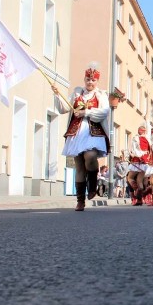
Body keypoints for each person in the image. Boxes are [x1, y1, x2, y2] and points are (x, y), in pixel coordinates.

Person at [52, 64, 110, 212]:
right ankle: (80, 201)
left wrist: (86, 112)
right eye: (88, 79)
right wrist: (57, 94)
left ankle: (92, 183)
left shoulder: (101, 95)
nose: (90, 82)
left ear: (97, 81)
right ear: (84, 79)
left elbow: (104, 112)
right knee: (79, 165)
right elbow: (64, 108)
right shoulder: (77, 93)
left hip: (93, 132)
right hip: (76, 132)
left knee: (90, 156)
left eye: (93, 80)